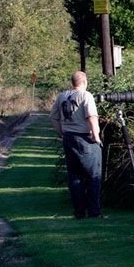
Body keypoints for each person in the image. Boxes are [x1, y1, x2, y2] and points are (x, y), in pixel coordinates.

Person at [50, 71, 103, 219]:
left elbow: (53, 117)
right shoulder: (86, 96)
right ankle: (94, 212)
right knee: (94, 176)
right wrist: (96, 137)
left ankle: (79, 212)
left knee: (75, 177)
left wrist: (61, 132)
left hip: (68, 138)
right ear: (84, 82)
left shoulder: (62, 96)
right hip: (85, 139)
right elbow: (92, 117)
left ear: (72, 82)